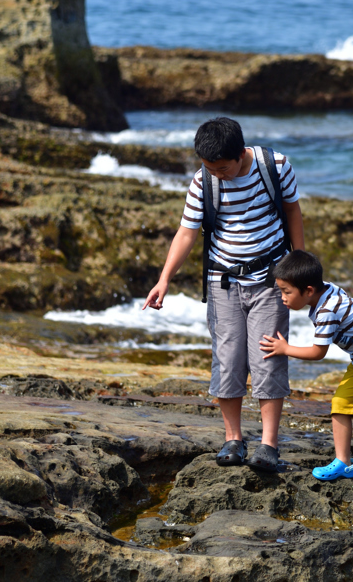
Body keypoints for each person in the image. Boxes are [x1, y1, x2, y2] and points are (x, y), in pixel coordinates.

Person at [143, 117, 304, 472]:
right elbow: (186, 233)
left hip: (269, 279)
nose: (217, 174)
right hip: (222, 282)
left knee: (268, 357)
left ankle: (268, 444)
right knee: (228, 358)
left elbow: (292, 211)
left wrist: (298, 265)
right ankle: (233, 438)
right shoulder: (204, 181)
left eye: (222, 168)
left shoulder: (275, 166)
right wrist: (164, 278)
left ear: (239, 154)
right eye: (209, 167)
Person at [259, 250, 353, 493]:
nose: (282, 298)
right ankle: (344, 462)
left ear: (309, 290)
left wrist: (285, 348)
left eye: (286, 291)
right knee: (340, 403)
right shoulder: (325, 290)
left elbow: (318, 353)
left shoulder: (326, 312)